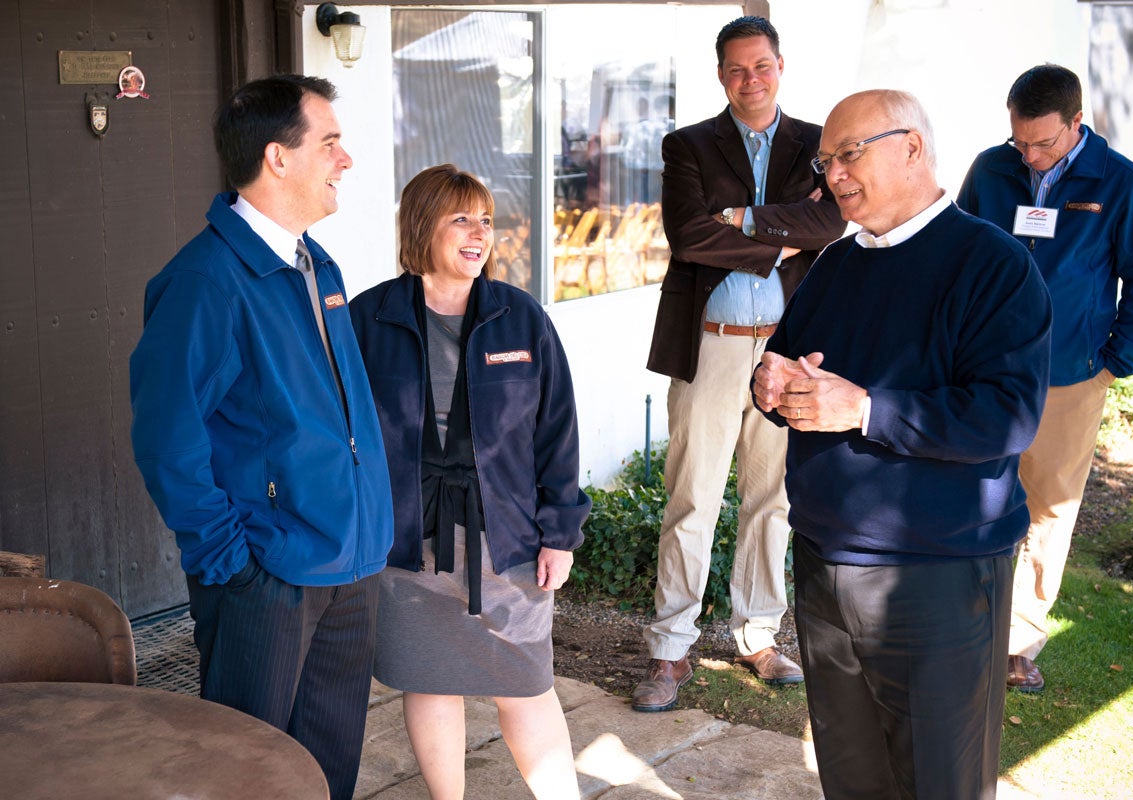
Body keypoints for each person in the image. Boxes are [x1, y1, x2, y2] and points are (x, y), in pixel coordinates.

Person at [752, 89, 1051, 798]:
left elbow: (1006, 417)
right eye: (825, 161)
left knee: (938, 780)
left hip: (935, 575)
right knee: (851, 777)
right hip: (824, 563)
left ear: (912, 147)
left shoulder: (992, 264)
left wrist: (866, 409)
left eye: (849, 154)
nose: (833, 174)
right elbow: (791, 367)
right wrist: (771, 385)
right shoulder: (835, 264)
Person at [129, 74, 393, 800]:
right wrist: (231, 563)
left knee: (329, 767)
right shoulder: (205, 281)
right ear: (278, 157)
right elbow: (166, 438)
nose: (345, 159)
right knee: (246, 772)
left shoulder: (316, 264)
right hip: (267, 577)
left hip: (348, 563)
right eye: (330, 143)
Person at [349, 164, 590, 800]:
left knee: (527, 685)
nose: (479, 233)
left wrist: (560, 534)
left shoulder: (521, 318)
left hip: (505, 536)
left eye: (485, 219)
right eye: (461, 218)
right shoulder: (369, 318)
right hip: (408, 538)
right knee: (430, 680)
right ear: (421, 225)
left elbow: (557, 432)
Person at [634, 15, 845, 713]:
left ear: (781, 66)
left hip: (790, 345)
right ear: (720, 74)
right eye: (735, 69)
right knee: (692, 497)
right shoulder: (688, 145)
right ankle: (671, 648)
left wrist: (741, 218)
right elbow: (688, 236)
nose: (749, 80)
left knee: (772, 498)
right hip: (712, 343)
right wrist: (783, 231)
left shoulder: (818, 144)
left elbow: (831, 223)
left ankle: (757, 636)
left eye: (761, 66)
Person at [957, 64, 1133, 694]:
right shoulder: (990, 170)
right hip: (987, 369)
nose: (1029, 155)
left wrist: (1113, 362)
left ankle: (1020, 640)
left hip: (1071, 375)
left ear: (1077, 122)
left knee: (1049, 507)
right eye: (1019, 140)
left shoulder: (1122, 182)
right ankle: (968, 625)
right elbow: (958, 255)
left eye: (1043, 143)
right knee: (975, 494)